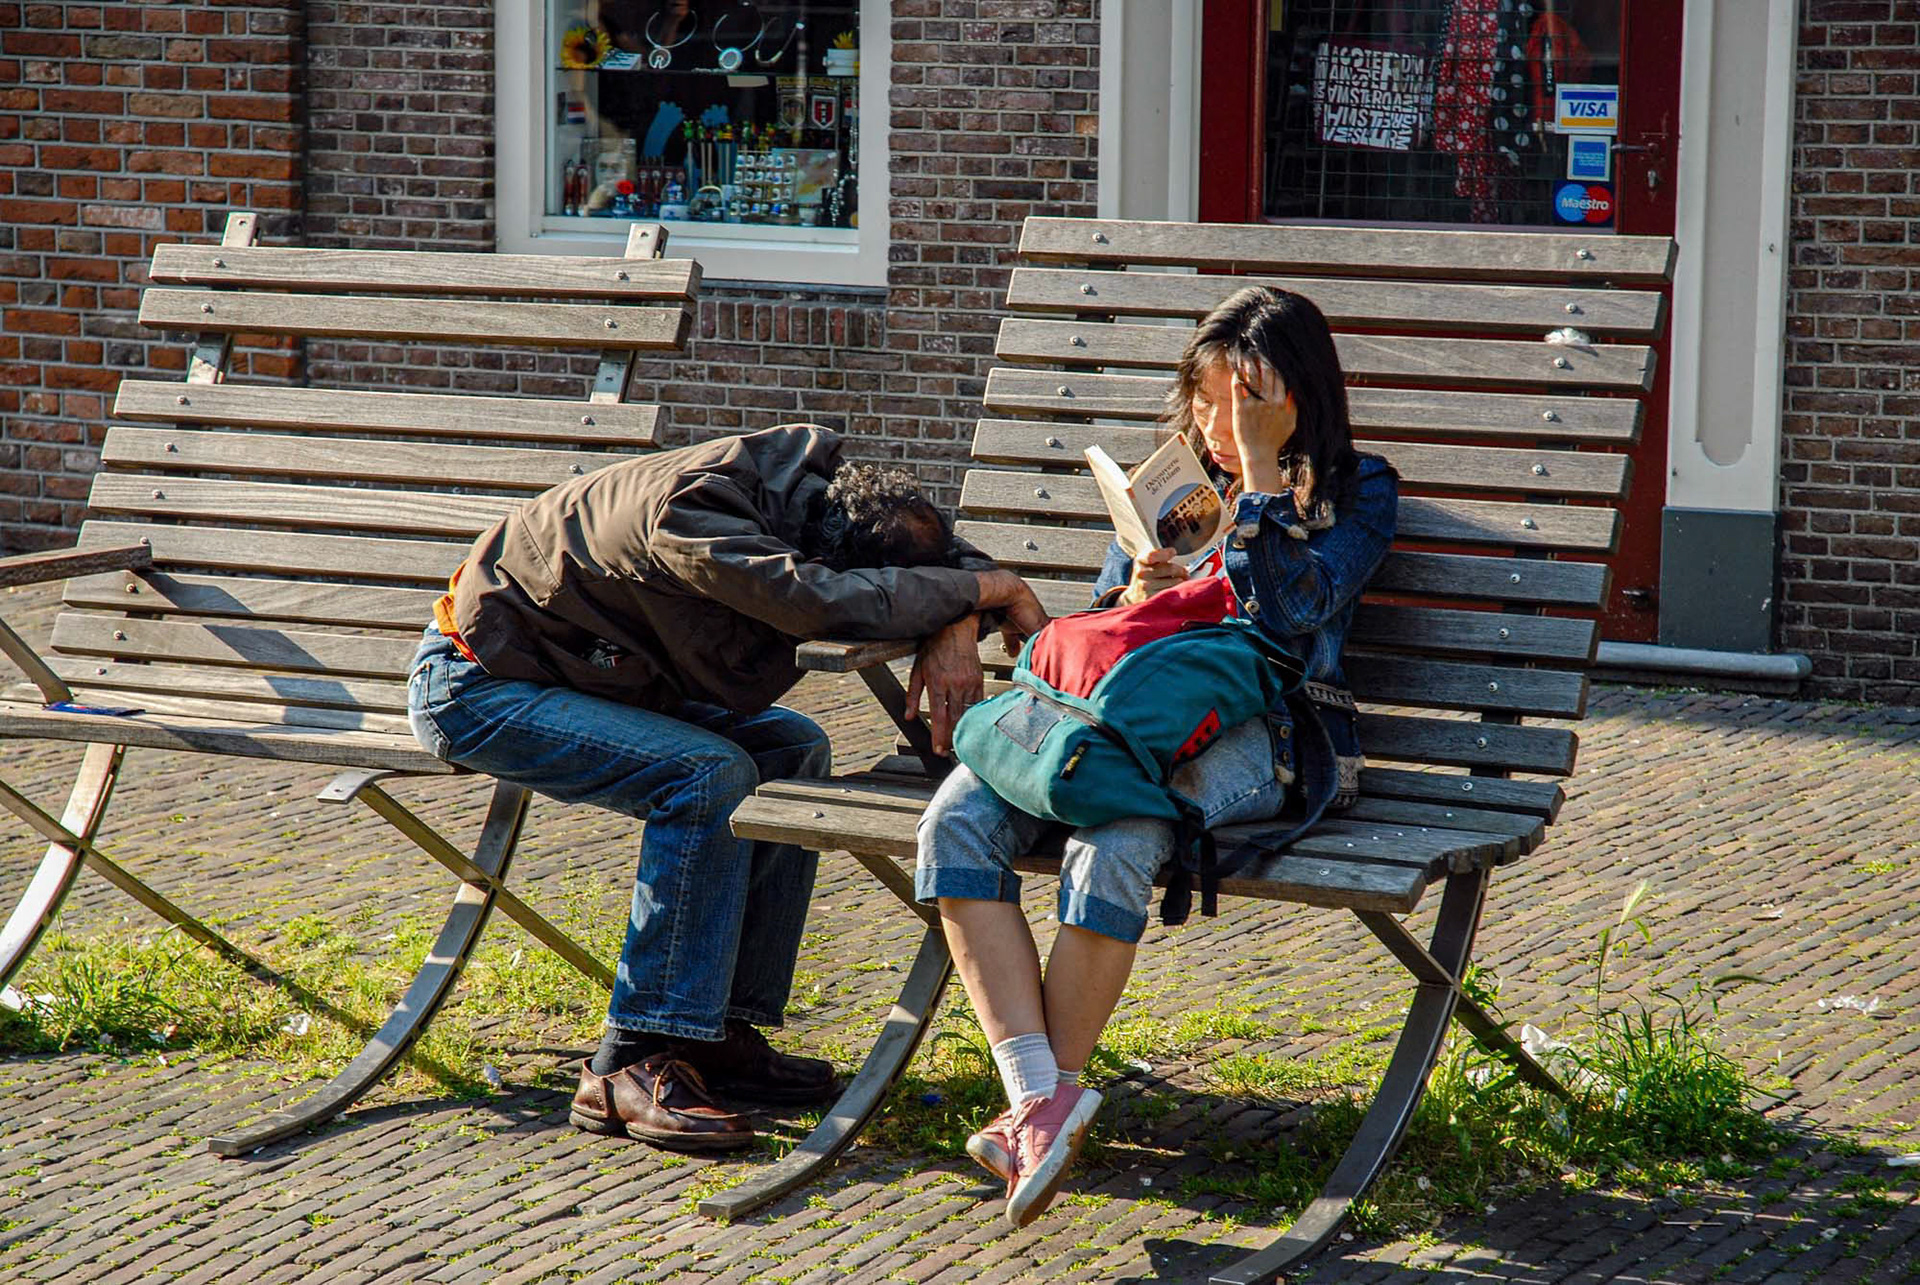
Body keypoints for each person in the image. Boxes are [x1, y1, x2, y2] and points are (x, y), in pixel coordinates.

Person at [406, 424, 1047, 1153]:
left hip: (585, 674)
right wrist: (982, 594)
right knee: (706, 775)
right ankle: (632, 1058)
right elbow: (819, 602)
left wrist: (955, 616)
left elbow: (941, 560)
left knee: (792, 749)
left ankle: (712, 1033)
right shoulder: (697, 520)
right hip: (481, 684)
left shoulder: (826, 495)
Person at [913, 287, 1399, 1225]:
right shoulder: (1177, 484)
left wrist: (1262, 477)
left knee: (1121, 832)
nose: (1216, 426)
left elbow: (1295, 615)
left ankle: (1039, 1108)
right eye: (1204, 402)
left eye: (1239, 403)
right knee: (955, 822)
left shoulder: (1359, 490)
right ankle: (1041, 1101)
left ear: (1296, 397)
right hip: (1124, 719)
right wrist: (1137, 591)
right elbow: (1100, 629)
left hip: (1267, 734)